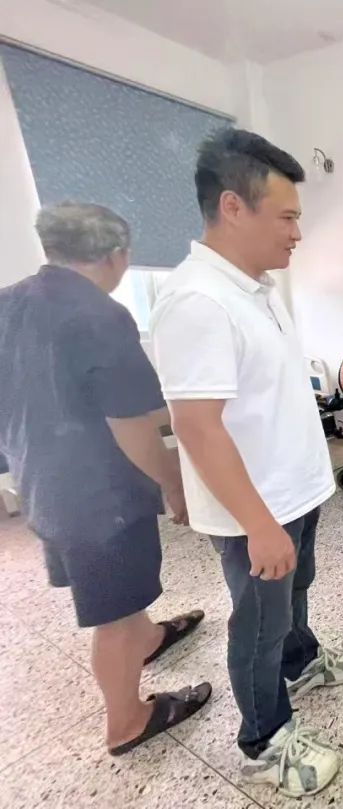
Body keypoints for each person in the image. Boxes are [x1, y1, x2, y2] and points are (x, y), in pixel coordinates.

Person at [150, 129, 343, 798]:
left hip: (292, 490)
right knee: (258, 625)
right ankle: (264, 741)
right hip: (256, 509)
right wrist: (260, 525)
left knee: (295, 597)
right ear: (233, 206)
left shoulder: (256, 288)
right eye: (287, 217)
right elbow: (197, 426)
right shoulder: (198, 301)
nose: (298, 233)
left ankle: (301, 662)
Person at [0, 203, 210, 755]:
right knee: (111, 614)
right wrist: (174, 483)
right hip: (100, 498)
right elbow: (132, 423)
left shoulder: (9, 301)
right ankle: (127, 721)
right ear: (117, 255)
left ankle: (149, 637)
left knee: (119, 593)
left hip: (42, 483)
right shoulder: (100, 314)